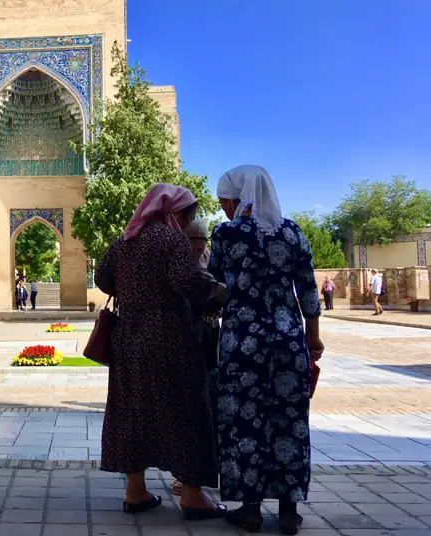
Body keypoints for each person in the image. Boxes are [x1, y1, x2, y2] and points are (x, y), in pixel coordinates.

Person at [95, 184, 227, 520]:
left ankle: (135, 492)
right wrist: (218, 291)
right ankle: (193, 497)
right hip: (170, 339)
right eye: (187, 215)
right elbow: (188, 283)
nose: (188, 223)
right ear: (173, 212)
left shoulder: (124, 242)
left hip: (128, 339)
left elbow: (102, 278)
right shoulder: (171, 242)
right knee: (186, 410)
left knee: (132, 411)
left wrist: (132, 290)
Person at [210, 165, 324, 535]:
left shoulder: (226, 235)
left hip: (243, 344)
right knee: (288, 421)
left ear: (241, 196)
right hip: (288, 342)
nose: (226, 208)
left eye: (227, 200)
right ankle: (289, 511)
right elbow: (308, 288)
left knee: (245, 420)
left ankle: (251, 509)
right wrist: (313, 336)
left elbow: (215, 286)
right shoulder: (292, 234)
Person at [170, 217, 222, 497]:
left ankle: (196, 477)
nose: (198, 251)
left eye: (201, 246)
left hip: (205, 343)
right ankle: (188, 477)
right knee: (188, 411)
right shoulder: (177, 262)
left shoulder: (204, 260)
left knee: (206, 408)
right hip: (184, 344)